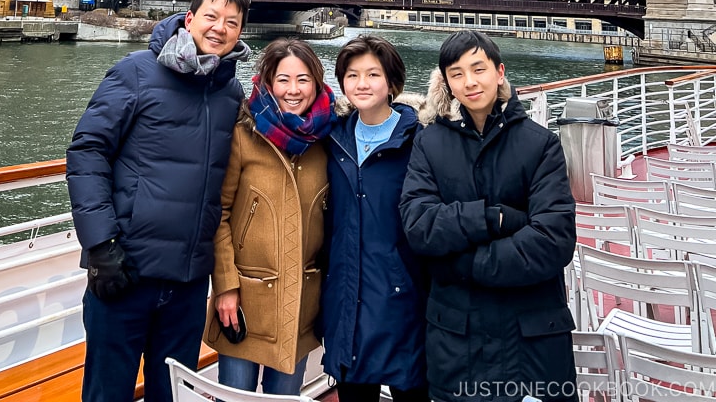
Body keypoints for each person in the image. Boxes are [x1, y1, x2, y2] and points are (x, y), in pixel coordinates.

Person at [66, 0, 250, 402]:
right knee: (106, 392)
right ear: (190, 20)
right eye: (211, 16)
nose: (219, 28)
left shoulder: (230, 92)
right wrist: (101, 245)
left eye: (232, 22)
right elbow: (87, 152)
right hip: (125, 270)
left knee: (172, 395)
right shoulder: (136, 71)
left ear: (240, 32)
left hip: (187, 281)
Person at [399, 31, 577, 402]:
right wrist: (493, 219)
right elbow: (419, 225)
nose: (469, 82)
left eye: (478, 69)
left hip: (531, 342)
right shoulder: (428, 143)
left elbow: (553, 240)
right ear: (447, 82)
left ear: (500, 72)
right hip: (457, 341)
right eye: (457, 73)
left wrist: (462, 263)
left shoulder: (541, 144)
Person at [206, 38, 334, 395]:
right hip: (245, 302)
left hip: (302, 303)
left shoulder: (327, 140)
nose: (293, 90)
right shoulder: (245, 136)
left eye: (304, 79)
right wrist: (226, 286)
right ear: (267, 82)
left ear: (317, 83)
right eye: (283, 79)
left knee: (286, 398)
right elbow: (219, 214)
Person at [321, 35, 428, 402]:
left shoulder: (418, 141)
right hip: (347, 293)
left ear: (392, 83)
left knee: (410, 388)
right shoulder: (333, 139)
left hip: (402, 294)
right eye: (352, 75)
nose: (361, 84)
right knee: (354, 389)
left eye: (373, 74)